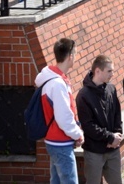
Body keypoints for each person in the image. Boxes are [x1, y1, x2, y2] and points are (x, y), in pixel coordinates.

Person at [34, 38, 84, 184]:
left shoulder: (51, 79)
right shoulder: (58, 84)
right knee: (69, 181)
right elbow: (64, 118)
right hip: (60, 141)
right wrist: (77, 134)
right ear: (70, 56)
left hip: (53, 140)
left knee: (56, 180)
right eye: (75, 53)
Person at [75, 55, 122, 184]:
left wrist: (116, 136)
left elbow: (117, 114)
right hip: (94, 151)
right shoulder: (83, 95)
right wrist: (109, 137)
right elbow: (88, 125)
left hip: (113, 149)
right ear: (97, 71)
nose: (112, 74)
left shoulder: (111, 89)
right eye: (109, 71)